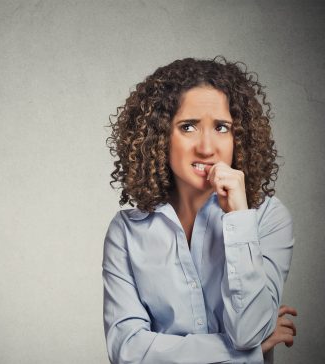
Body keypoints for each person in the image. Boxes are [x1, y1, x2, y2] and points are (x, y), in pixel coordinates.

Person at [103, 57, 297, 364]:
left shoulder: (267, 219)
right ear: (159, 136)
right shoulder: (126, 232)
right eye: (188, 127)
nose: (207, 147)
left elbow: (248, 331)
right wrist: (245, 356)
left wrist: (238, 218)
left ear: (240, 137)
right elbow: (127, 351)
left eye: (222, 127)